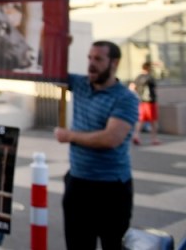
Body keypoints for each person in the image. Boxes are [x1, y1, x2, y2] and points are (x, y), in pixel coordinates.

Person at [55, 41, 139, 250]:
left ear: (114, 63)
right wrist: (59, 44)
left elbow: (111, 138)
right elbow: (50, 72)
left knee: (113, 245)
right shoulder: (81, 84)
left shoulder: (125, 98)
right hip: (78, 185)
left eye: (99, 59)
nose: (91, 64)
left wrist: (70, 136)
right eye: (90, 58)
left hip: (111, 190)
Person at [131, 61, 160, 146]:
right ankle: (154, 138)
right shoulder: (150, 78)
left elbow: (132, 87)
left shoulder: (138, 77)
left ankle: (136, 135)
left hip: (141, 102)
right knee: (153, 121)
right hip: (150, 102)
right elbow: (154, 90)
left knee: (141, 120)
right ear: (149, 68)